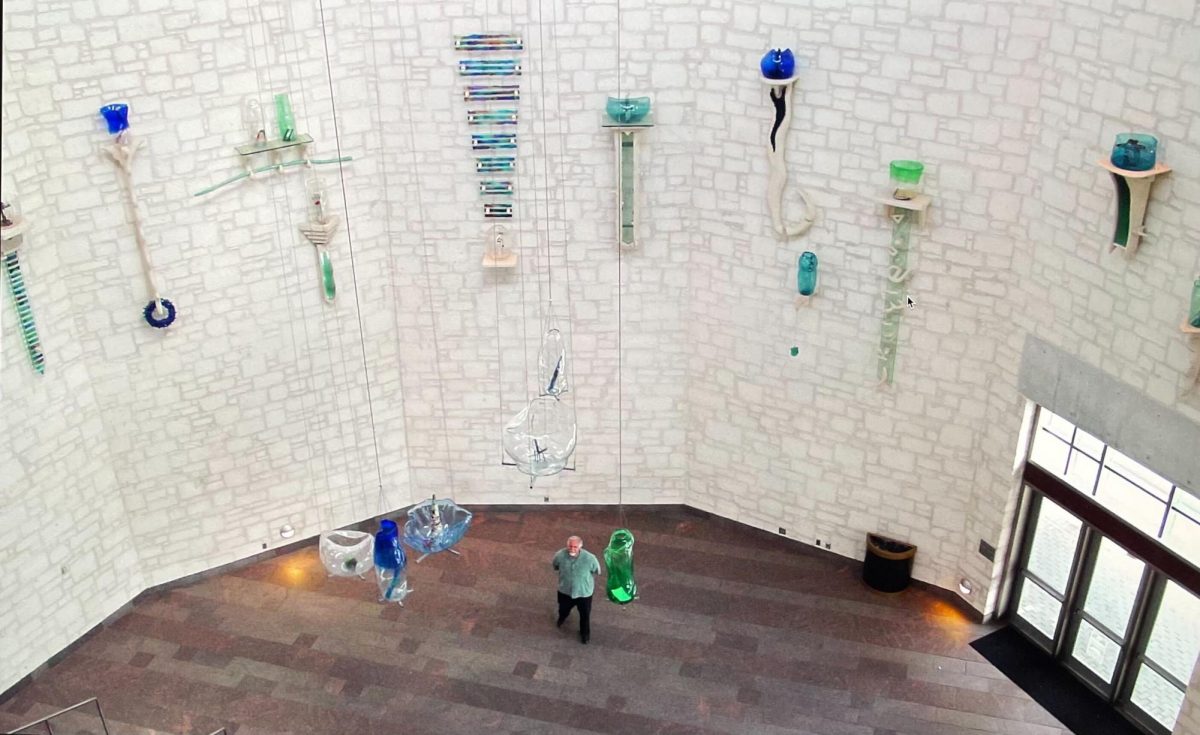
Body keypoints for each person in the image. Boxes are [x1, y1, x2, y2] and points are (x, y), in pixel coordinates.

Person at [552, 535, 601, 644]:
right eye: (570, 546)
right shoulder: (560, 555)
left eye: (575, 547)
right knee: (563, 609)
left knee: (585, 615)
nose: (572, 549)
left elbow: (596, 570)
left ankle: (585, 635)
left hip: (584, 593)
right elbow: (555, 565)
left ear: (580, 547)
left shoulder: (590, 558)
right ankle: (562, 618)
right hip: (565, 591)